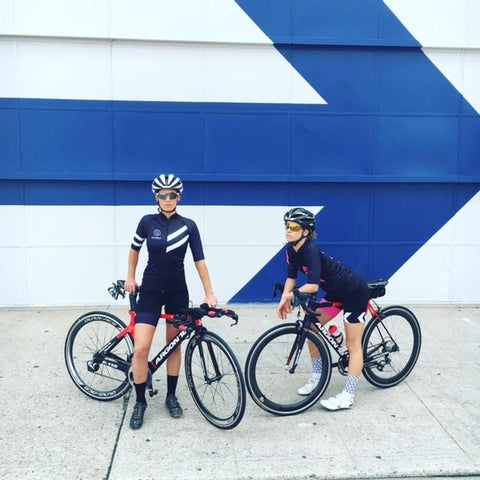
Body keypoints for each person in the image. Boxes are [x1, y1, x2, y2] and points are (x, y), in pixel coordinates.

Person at [125, 174, 217, 429]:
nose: (167, 199)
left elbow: (200, 261)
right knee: (142, 348)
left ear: (179, 196)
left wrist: (209, 293)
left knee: (173, 344)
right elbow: (134, 250)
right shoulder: (146, 222)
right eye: (163, 195)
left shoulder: (189, 225)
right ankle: (140, 401)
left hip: (178, 291)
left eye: (172, 195)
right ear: (157, 198)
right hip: (151, 291)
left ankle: (171, 396)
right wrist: (130, 277)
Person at [276, 207, 370, 411]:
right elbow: (291, 278)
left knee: (354, 346)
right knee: (312, 330)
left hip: (355, 292)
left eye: (293, 227)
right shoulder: (291, 249)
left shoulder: (310, 250)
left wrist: (292, 296)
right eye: (287, 226)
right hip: (336, 294)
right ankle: (317, 377)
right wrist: (284, 297)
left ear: (306, 232)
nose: (288, 230)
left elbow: (313, 286)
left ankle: (348, 395)